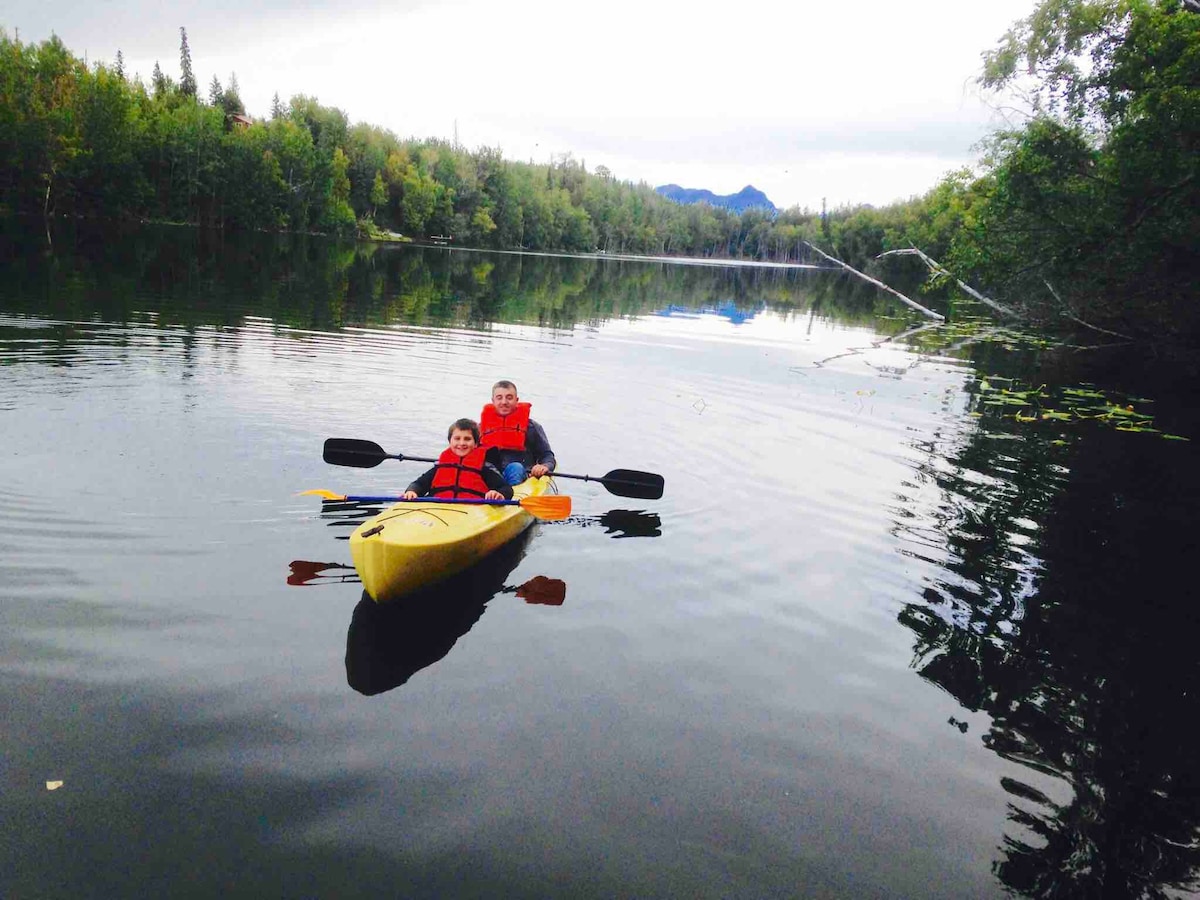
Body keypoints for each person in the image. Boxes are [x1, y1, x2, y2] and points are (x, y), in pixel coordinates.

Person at [402, 418, 513, 501]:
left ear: (475, 444)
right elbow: (419, 484)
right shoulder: (440, 466)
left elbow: (506, 488)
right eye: (457, 438)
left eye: (467, 439)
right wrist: (412, 491)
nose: (462, 443)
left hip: (472, 512)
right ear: (450, 442)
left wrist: (498, 494)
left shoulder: (484, 468)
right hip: (437, 509)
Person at [479, 379, 556, 485]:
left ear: (516, 400)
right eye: (499, 398)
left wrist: (544, 466)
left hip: (521, 476)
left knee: (516, 468)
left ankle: (510, 497)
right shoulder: (479, 428)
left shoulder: (532, 427)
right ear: (493, 400)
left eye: (509, 398)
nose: (504, 402)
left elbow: (547, 455)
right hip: (491, 475)